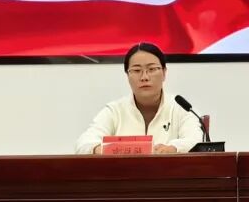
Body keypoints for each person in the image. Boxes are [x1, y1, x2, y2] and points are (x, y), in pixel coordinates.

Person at [75, 42, 204, 154]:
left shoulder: (181, 109)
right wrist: (103, 149)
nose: (144, 77)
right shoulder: (114, 111)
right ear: (127, 75)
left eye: (152, 69)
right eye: (137, 70)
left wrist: (173, 148)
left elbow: (196, 140)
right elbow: (83, 143)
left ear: (164, 73)